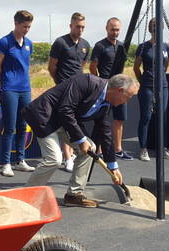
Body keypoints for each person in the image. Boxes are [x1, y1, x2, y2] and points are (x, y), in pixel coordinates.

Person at [23, 74, 137, 208]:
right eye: (128, 97)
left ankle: (74, 195)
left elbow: (105, 131)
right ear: (119, 90)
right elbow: (65, 109)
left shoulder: (106, 102)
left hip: (64, 122)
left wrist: (113, 166)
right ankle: (26, 195)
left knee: (90, 149)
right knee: (54, 159)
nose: (126, 102)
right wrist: (81, 139)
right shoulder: (86, 82)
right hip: (45, 116)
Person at [0, 10, 36, 177]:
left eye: (29, 27)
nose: (27, 29)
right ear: (16, 23)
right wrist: (6, 82)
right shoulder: (4, 42)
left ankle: (20, 160)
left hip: (25, 89)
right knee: (10, 127)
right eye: (24, 26)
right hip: (9, 89)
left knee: (22, 125)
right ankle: (5, 163)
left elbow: (26, 65)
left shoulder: (29, 43)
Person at [48, 12, 90, 172]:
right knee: (65, 123)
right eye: (77, 26)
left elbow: (82, 65)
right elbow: (52, 67)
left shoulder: (86, 44)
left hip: (79, 91)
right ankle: (67, 158)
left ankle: (73, 154)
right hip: (63, 89)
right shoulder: (60, 42)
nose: (80, 30)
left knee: (76, 123)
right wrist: (60, 84)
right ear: (71, 25)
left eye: (83, 27)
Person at [133, 18, 169, 162]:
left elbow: (165, 66)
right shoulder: (143, 47)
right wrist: (144, 81)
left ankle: (163, 148)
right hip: (147, 87)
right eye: (153, 26)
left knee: (162, 118)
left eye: (158, 26)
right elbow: (136, 68)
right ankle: (143, 149)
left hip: (163, 86)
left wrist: (160, 78)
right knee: (146, 117)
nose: (155, 29)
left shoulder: (165, 47)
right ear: (149, 29)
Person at [89, 17, 132, 160]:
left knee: (120, 118)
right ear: (107, 28)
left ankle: (118, 149)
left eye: (117, 29)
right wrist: (100, 83)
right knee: (103, 119)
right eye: (112, 29)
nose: (115, 32)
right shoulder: (100, 45)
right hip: (106, 88)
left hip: (120, 88)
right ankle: (99, 150)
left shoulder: (121, 46)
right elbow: (92, 67)